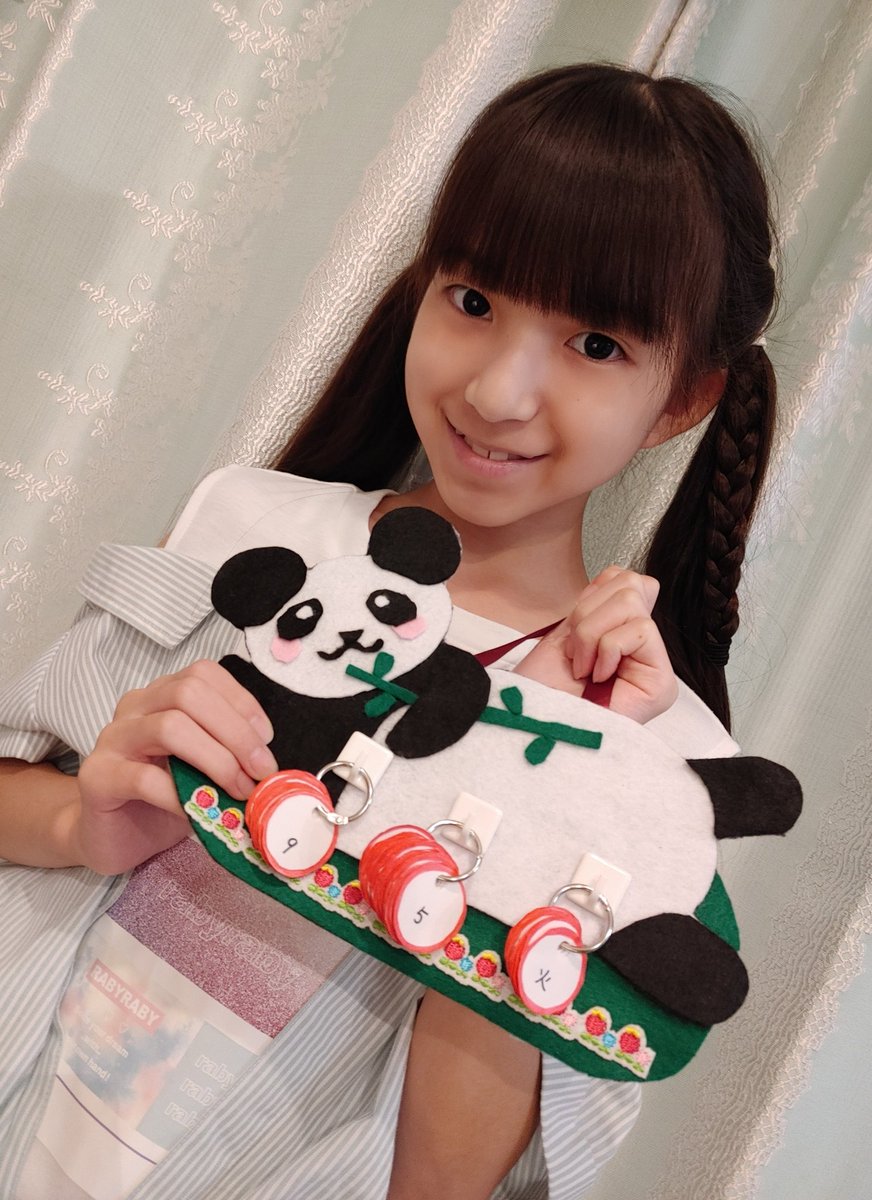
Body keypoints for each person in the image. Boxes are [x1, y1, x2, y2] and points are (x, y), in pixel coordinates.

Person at [0, 63, 776, 1200]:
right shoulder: (248, 524)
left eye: (596, 344)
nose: (499, 391)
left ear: (684, 398)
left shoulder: (657, 760)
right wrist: (83, 820)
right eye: (474, 299)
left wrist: (542, 783)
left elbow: (440, 1184)